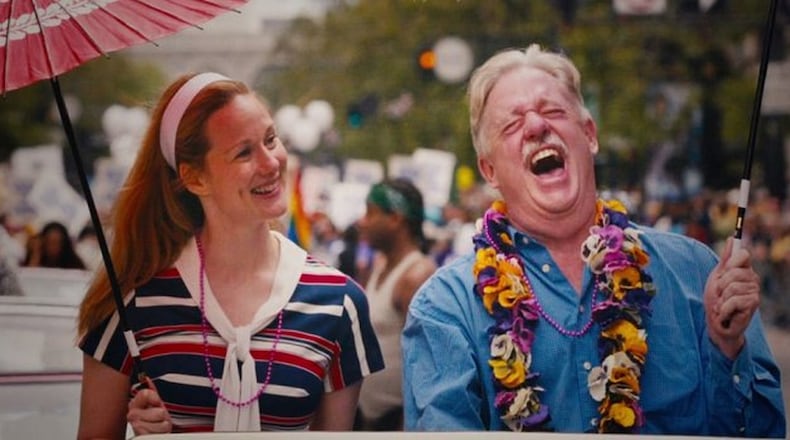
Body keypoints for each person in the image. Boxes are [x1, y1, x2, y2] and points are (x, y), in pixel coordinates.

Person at [401, 44, 786, 436]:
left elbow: (763, 433)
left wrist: (727, 348)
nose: (536, 127)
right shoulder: (446, 308)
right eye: (512, 124)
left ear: (589, 135)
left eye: (553, 111)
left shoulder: (696, 272)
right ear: (489, 171)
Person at [76, 72, 384, 438]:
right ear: (194, 179)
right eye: (243, 152)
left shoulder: (338, 304)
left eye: (271, 139)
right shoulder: (130, 302)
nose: (271, 163)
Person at [355, 178, 437, 431]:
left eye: (370, 213)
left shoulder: (417, 275)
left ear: (395, 218)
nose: (362, 221)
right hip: (368, 419)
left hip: (396, 423)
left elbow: (427, 366)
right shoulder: (379, 265)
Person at [22, 221, 87, 269]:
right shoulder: (35, 258)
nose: (52, 247)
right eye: (49, 242)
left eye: (56, 243)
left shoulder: (74, 264)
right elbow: (30, 276)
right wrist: (36, 254)